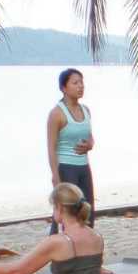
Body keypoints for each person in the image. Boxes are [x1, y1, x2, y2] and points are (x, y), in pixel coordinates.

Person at [48, 68, 95, 232]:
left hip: (83, 167)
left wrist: (90, 145)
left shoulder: (86, 110)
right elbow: (51, 148)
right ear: (64, 88)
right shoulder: (57, 114)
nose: (80, 86)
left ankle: (85, 249)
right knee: (66, 213)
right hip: (66, 168)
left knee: (87, 212)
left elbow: (90, 137)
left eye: (82, 82)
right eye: (75, 83)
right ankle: (57, 248)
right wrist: (55, 176)